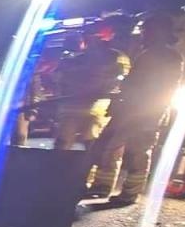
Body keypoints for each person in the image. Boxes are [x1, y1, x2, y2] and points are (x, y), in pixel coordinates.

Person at [91, 13, 183, 206]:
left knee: (137, 152)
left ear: (160, 32)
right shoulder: (147, 54)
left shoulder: (169, 57)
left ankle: (129, 194)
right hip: (131, 109)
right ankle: (102, 186)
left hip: (148, 111)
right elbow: (133, 82)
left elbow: (156, 85)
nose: (144, 35)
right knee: (110, 147)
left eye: (147, 31)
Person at [53, 19, 129, 150]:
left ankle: (81, 169)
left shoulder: (115, 57)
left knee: (90, 145)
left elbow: (118, 81)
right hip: (76, 107)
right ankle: (60, 168)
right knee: (68, 143)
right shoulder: (76, 58)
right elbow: (60, 78)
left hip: (97, 107)